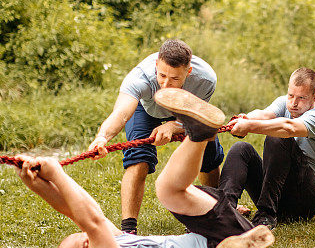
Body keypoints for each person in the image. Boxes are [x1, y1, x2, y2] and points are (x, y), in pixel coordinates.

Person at [17, 88, 273, 248]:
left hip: (222, 235)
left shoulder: (119, 246)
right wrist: (57, 173)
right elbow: (91, 221)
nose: (90, 236)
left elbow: (76, 212)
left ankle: (198, 134)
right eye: (85, 243)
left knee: (166, 190)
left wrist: (36, 184)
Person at [88, 39, 224, 235]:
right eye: (162, 75)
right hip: (146, 110)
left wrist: (175, 125)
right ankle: (128, 230)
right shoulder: (139, 79)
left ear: (189, 72)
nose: (166, 84)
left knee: (207, 153)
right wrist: (102, 137)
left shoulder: (206, 79)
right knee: (138, 160)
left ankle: (214, 212)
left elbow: (199, 116)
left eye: (175, 79)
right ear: (156, 66)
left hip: (186, 108)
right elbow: (122, 113)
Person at [222, 67, 315, 229]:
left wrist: (249, 126)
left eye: (302, 98)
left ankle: (265, 214)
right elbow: (263, 114)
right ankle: (223, 212)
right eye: (291, 95)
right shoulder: (285, 103)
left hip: (307, 200)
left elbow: (288, 128)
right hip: (280, 195)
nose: (294, 103)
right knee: (241, 149)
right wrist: (244, 118)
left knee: (279, 137)